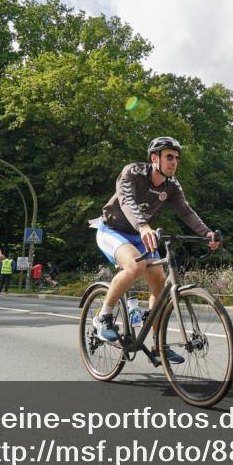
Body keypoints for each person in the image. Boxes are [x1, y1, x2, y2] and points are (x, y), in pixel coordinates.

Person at [91, 136, 220, 364]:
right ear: (154, 158)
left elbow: (186, 212)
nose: (174, 162)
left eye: (176, 158)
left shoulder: (172, 185)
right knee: (136, 266)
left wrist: (207, 232)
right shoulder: (132, 172)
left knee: (160, 283)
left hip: (141, 235)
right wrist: (143, 226)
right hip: (112, 230)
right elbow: (127, 200)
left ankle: (158, 344)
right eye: (169, 157)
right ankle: (104, 316)